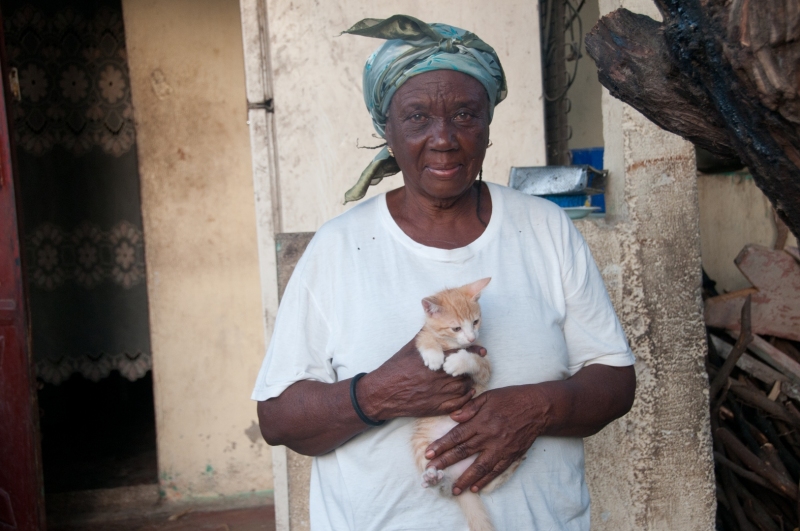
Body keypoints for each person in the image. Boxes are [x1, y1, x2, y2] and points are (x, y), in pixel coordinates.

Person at [252, 15, 636, 531]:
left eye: (464, 114)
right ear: (385, 131)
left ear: (487, 126)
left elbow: (615, 381)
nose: (443, 138)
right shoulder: (339, 248)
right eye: (416, 117)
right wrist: (377, 394)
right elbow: (278, 419)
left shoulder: (544, 229)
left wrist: (535, 407)